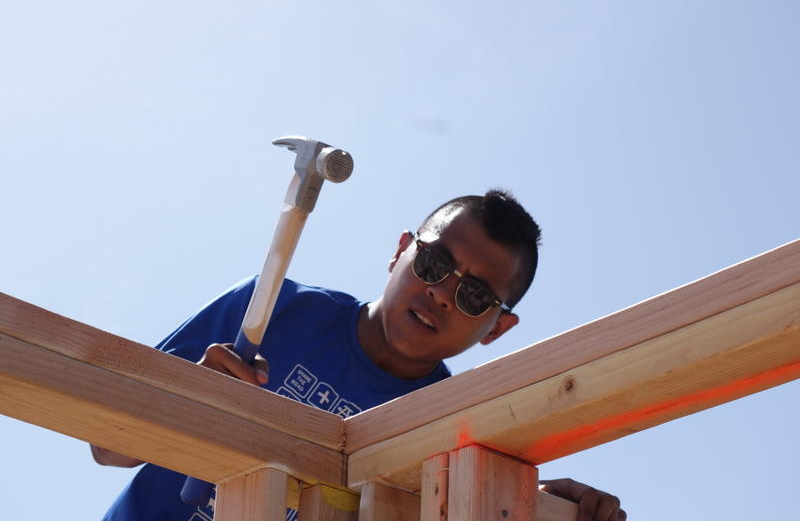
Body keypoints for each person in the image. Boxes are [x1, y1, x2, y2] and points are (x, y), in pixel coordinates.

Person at [91, 189, 626, 521]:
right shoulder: (270, 308)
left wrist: (531, 505)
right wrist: (184, 398)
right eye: (435, 263)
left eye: (474, 295)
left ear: (497, 329)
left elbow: (463, 504)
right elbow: (105, 446)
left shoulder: (452, 433)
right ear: (400, 250)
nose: (442, 293)